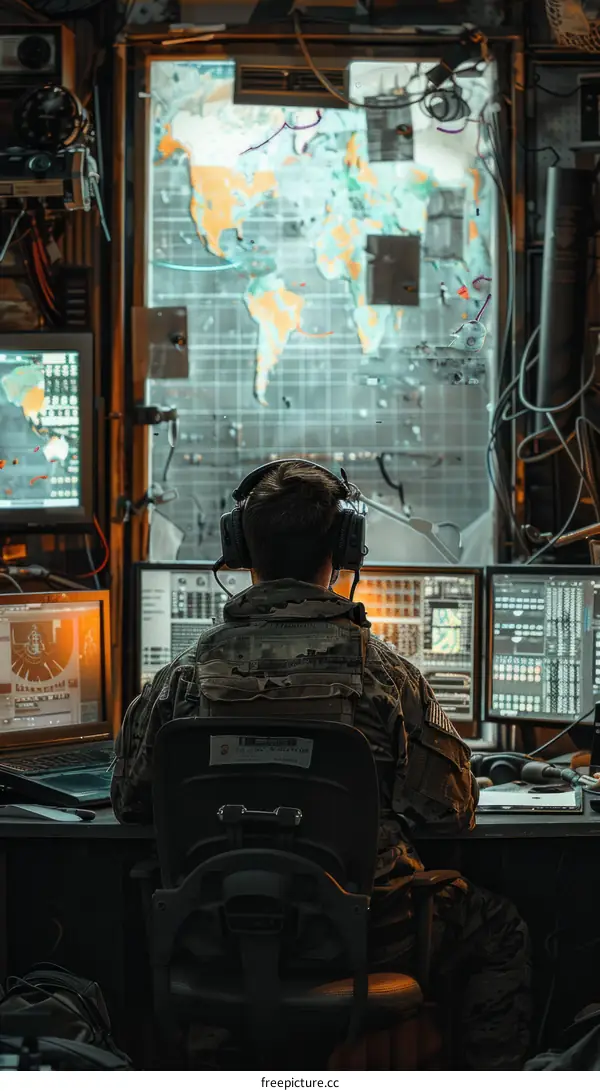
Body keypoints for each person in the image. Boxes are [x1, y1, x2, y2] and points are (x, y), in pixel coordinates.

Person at [111, 460, 531, 1069]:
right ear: (345, 549)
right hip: (371, 933)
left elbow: (128, 801)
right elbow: (452, 812)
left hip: (217, 929)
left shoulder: (180, 680)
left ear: (239, 548)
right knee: (502, 932)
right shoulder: (388, 678)